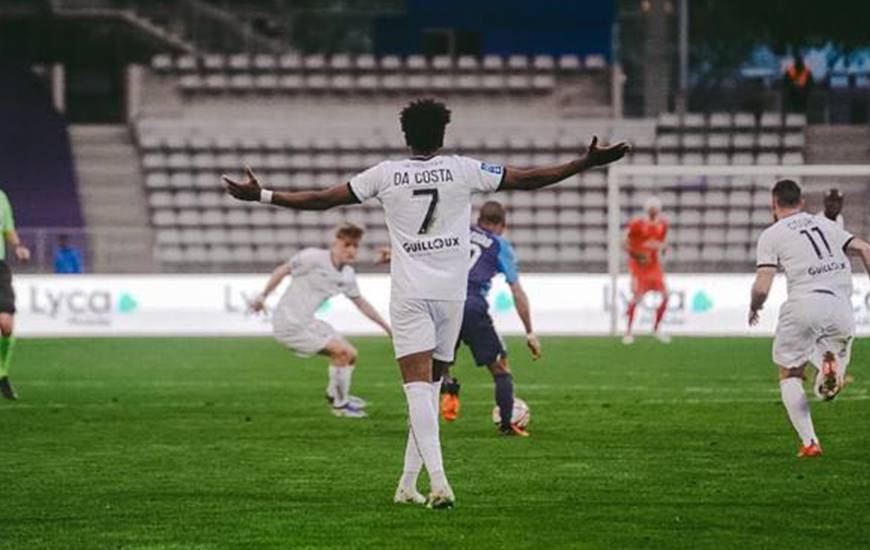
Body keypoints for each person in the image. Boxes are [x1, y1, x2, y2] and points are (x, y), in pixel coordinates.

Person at [224, 98, 630, 508]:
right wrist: (584, 162)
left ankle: (411, 484)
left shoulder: (385, 175)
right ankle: (437, 484)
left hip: (410, 297)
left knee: (422, 391)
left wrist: (264, 195)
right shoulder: (463, 168)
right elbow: (527, 178)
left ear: (406, 136)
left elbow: (322, 199)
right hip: (451, 296)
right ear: (443, 134)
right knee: (429, 390)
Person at [749, 179, 870, 458]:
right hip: (840, 306)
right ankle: (829, 367)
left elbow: (763, 284)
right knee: (829, 390)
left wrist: (755, 306)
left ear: (774, 204)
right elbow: (865, 248)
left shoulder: (771, 234)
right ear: (801, 203)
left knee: (790, 373)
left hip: (803, 303)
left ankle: (810, 442)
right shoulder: (828, 225)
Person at [250, 223, 391, 418]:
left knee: (351, 354)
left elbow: (361, 304)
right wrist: (262, 297)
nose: (351, 250)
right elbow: (283, 270)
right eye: (347, 244)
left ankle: (335, 395)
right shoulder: (313, 258)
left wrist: (387, 328)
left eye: (355, 246)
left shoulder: (347, 275)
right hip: (288, 324)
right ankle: (340, 407)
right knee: (342, 353)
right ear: (336, 243)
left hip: (308, 322)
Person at [438, 200, 540, 436]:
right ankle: (507, 424)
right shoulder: (499, 245)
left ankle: (447, 390)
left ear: (479, 219)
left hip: (443, 301)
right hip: (472, 304)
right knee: (500, 367)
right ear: (502, 225)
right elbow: (516, 290)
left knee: (437, 360)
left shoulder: (457, 233)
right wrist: (530, 332)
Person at [622, 196, 669, 345]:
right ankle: (628, 332)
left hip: (654, 267)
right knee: (636, 298)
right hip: (638, 267)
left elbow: (662, 243)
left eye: (655, 210)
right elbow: (624, 243)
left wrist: (661, 249)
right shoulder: (637, 224)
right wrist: (637, 255)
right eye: (651, 210)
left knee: (666, 296)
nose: (653, 213)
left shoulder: (662, 225)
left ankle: (656, 329)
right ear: (647, 210)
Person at [0, 190, 30, 400]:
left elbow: (8, 228)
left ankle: (2, 373)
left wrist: (18, 246)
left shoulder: (1, 197)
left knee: (6, 325)